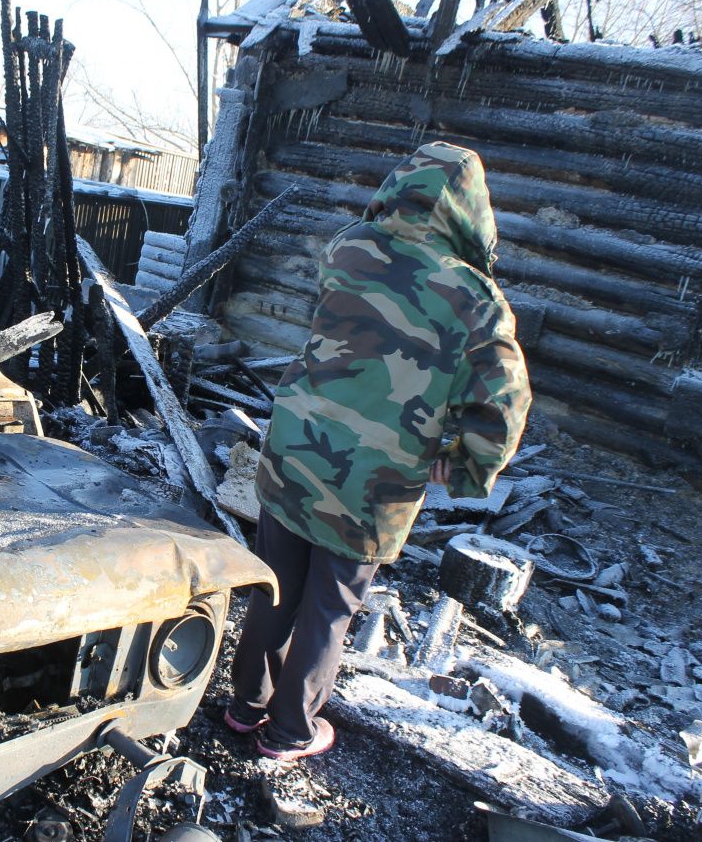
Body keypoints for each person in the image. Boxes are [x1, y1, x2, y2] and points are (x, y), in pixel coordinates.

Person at [226, 141, 531, 761]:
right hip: (373, 478)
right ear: (472, 212)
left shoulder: (349, 248)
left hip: (294, 448)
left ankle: (242, 707)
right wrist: (467, 463)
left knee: (274, 586)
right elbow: (502, 402)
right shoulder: (475, 300)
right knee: (329, 606)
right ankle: (288, 732)